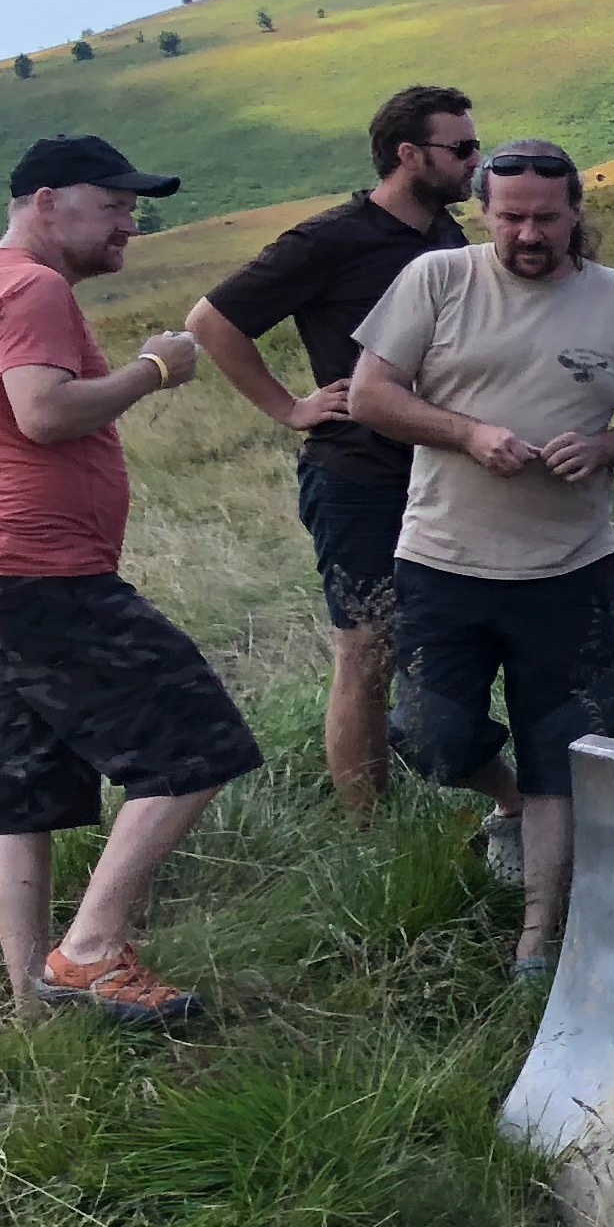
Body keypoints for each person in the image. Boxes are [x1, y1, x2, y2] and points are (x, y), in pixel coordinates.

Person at [0, 137, 261, 1021]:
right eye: (115, 204)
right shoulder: (33, 288)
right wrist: (153, 370)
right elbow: (45, 413)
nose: (132, 222)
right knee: (198, 743)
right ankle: (88, 952)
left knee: (24, 787)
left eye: (135, 207)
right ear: (48, 202)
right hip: (45, 580)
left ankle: (31, 1001)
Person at [349, 141, 614, 979]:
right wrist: (468, 434)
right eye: (511, 219)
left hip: (571, 570)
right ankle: (507, 805)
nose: (529, 235)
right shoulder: (438, 279)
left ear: (576, 213)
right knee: (430, 737)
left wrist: (604, 448)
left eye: (545, 218)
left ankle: (539, 938)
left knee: (566, 752)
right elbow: (369, 395)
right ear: (484, 213)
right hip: (442, 560)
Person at [186, 84, 481, 818]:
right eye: (462, 148)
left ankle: (457, 781)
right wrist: (289, 407)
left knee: (451, 635)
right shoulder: (330, 239)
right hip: (358, 476)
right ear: (409, 155)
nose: (475, 161)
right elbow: (212, 321)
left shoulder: (449, 238)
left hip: (442, 471)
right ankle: (370, 830)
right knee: (366, 649)